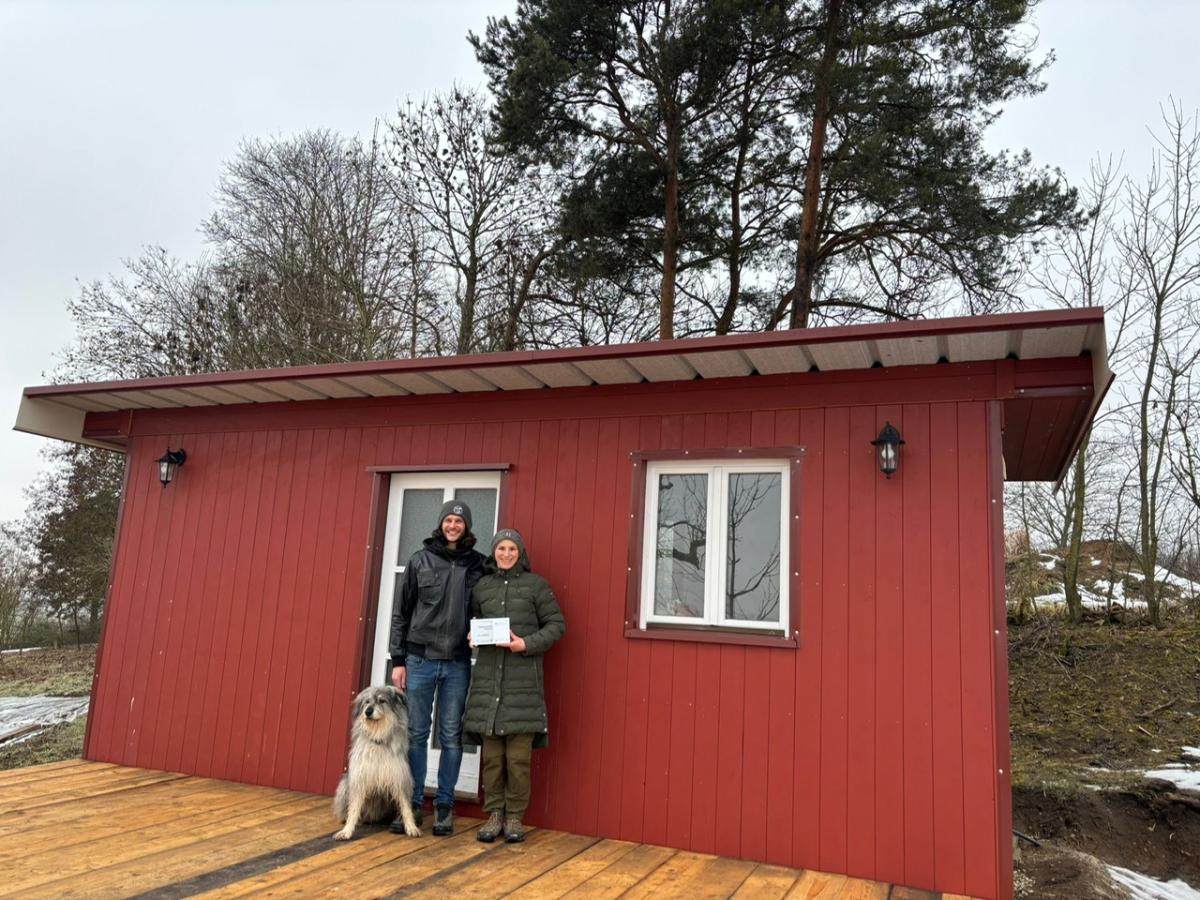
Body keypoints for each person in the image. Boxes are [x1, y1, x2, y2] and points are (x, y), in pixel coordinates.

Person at [388, 499, 485, 837]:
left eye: (459, 521)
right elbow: (401, 614)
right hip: (420, 660)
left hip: (458, 661)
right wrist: (397, 660)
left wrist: (483, 633)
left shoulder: (478, 565)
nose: (453, 526)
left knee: (450, 735)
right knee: (416, 733)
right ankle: (412, 803)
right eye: (449, 520)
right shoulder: (420, 560)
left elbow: (487, 610)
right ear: (441, 524)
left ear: (467, 526)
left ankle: (444, 805)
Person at [462, 528, 566, 844]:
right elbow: (476, 623)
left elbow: (557, 626)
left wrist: (527, 644)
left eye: (512, 549)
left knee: (518, 761)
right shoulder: (482, 588)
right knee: (492, 759)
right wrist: (473, 637)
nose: (506, 554)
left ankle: (514, 818)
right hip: (488, 686)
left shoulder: (537, 586)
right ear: (493, 552)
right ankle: (493, 815)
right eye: (501, 548)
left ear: (520, 552)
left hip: (523, 688)